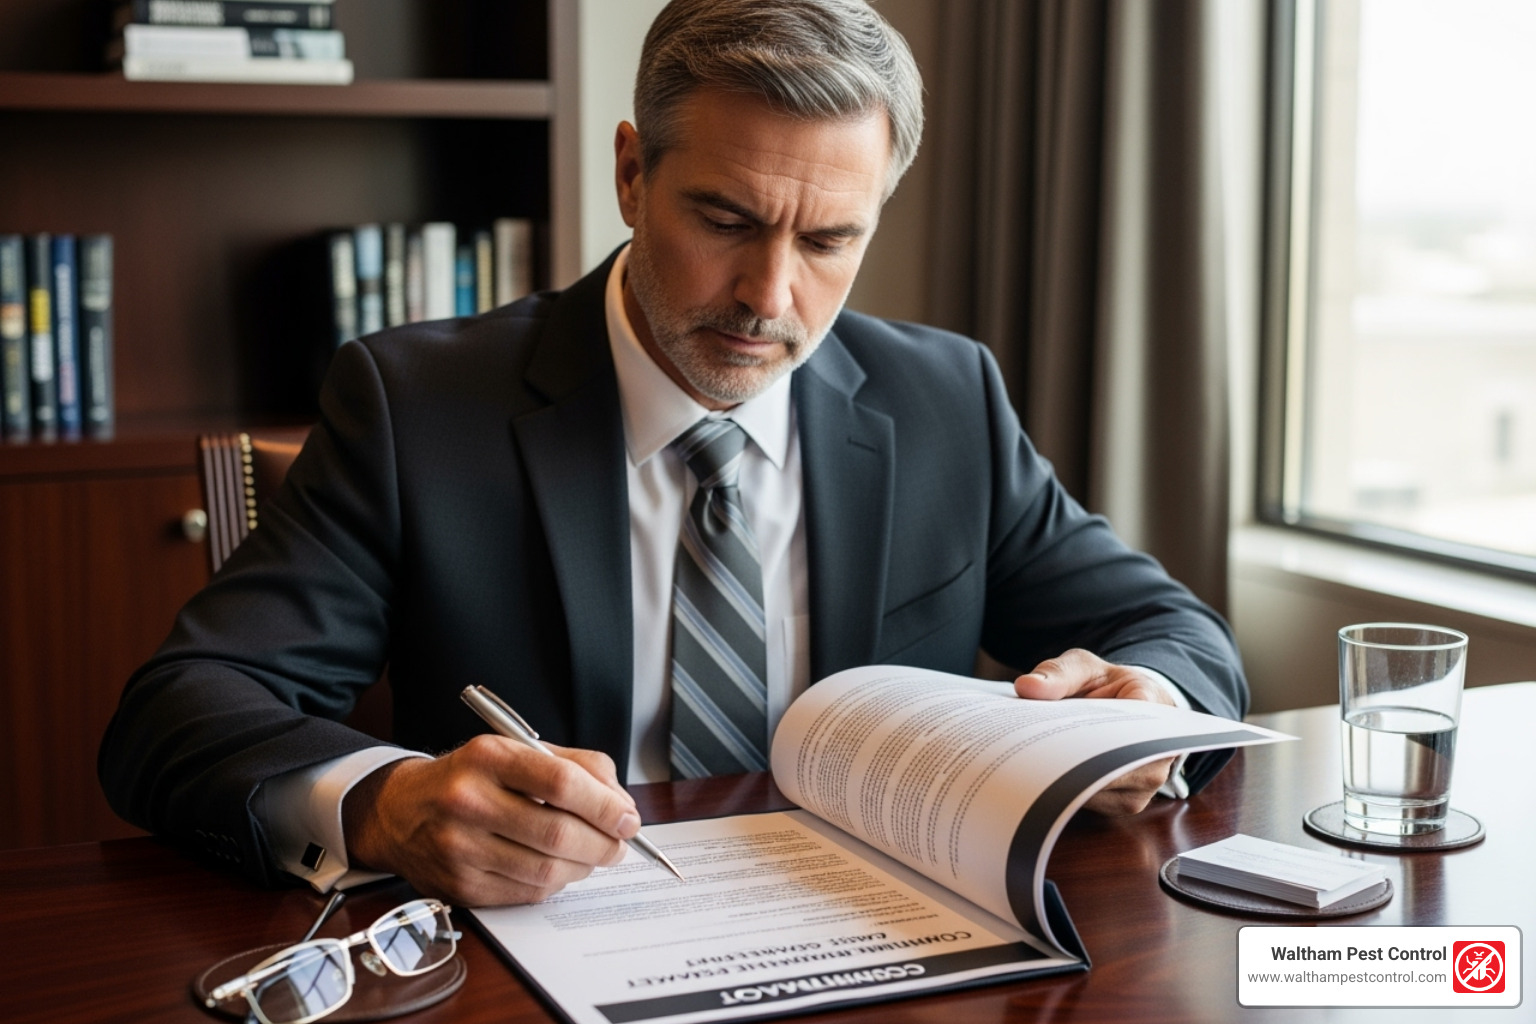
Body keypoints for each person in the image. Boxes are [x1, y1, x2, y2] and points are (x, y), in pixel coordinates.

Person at [99, 0, 1247, 908]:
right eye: (728, 220)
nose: (769, 296)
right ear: (632, 173)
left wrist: (1143, 706)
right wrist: (388, 802)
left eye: (831, 238)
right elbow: (179, 713)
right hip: (544, 962)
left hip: (884, 945)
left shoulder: (947, 397)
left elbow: (1183, 639)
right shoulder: (417, 405)